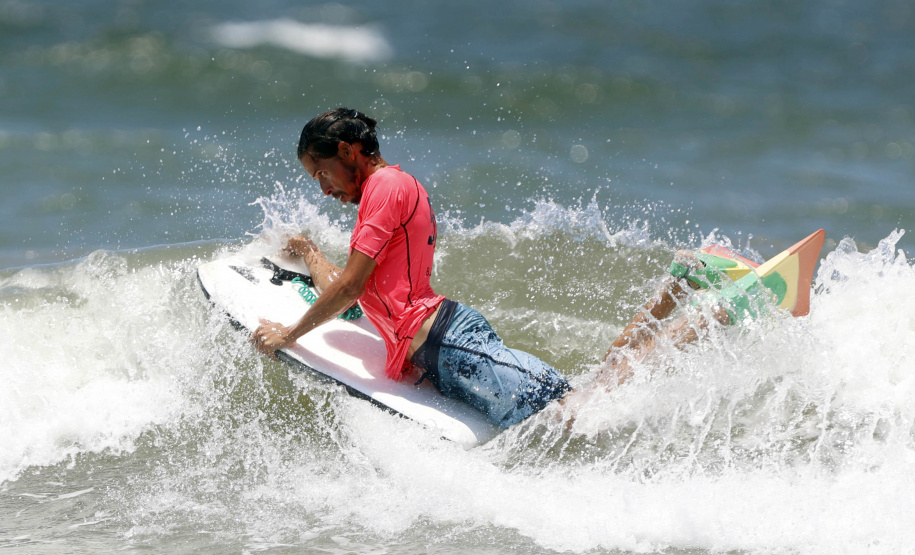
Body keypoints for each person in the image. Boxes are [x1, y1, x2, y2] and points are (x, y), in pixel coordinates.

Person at [252, 107, 724, 429]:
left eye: (322, 174)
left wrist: (288, 335)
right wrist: (311, 255)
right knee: (588, 393)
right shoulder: (381, 196)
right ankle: (678, 288)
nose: (323, 189)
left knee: (575, 413)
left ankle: (708, 315)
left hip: (451, 344)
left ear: (349, 151)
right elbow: (352, 295)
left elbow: (351, 288)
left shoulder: (386, 187)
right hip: (441, 349)